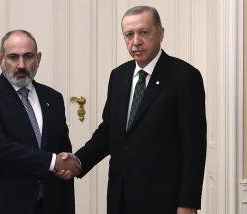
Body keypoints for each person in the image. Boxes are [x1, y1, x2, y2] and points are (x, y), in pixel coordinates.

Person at [59, 5, 207, 214]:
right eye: (129, 34)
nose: (135, 41)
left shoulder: (185, 77)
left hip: (164, 200)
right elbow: (109, 131)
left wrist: (188, 202)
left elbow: (194, 146)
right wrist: (79, 161)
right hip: (121, 198)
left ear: (161, 33)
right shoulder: (118, 76)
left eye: (144, 33)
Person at [0, 30, 81, 214]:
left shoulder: (53, 98)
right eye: (13, 57)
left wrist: (67, 167)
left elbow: (62, 150)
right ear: (0, 59)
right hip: (1, 205)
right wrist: (53, 162)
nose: (21, 65)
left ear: (38, 58)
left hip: (48, 205)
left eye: (28, 56)